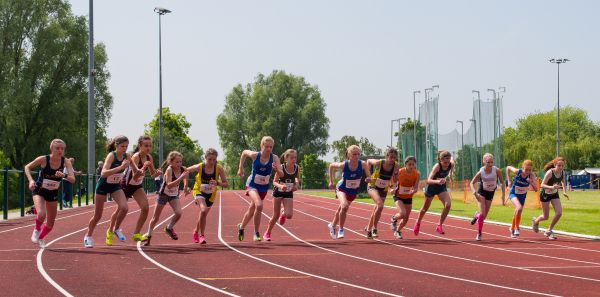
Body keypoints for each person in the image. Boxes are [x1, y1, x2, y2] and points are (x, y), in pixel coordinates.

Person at [84, 136, 137, 248]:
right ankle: (88, 236)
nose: (125, 148)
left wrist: (142, 170)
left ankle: (116, 229)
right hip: (103, 186)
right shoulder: (111, 156)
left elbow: (135, 169)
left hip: (115, 186)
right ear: (116, 146)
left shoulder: (127, 156)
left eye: (126, 146)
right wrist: (120, 168)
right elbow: (103, 173)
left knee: (125, 207)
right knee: (98, 215)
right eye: (122, 146)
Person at [25, 139, 75, 248]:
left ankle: (41, 238)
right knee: (42, 214)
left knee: (51, 223)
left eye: (62, 148)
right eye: (57, 148)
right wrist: (31, 180)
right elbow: (27, 167)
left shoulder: (66, 161)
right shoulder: (44, 159)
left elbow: (73, 179)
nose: (60, 150)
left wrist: (64, 175)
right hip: (39, 190)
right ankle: (36, 230)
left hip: (53, 192)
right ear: (51, 149)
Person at [113, 136, 161, 242]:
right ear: (140, 146)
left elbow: (153, 175)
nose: (148, 148)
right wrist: (143, 168)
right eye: (146, 146)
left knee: (145, 208)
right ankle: (113, 229)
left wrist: (157, 173)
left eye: (150, 146)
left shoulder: (149, 157)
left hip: (137, 186)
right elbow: (134, 176)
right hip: (126, 185)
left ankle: (136, 234)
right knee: (120, 210)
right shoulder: (136, 156)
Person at [236, 136, 283, 241]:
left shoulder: (274, 158)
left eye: (271, 147)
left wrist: (277, 170)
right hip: (252, 184)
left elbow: (281, 173)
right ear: (261, 146)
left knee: (252, 209)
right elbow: (244, 152)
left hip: (263, 187)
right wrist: (240, 168)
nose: (269, 149)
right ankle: (256, 233)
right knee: (259, 205)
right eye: (266, 146)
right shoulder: (255, 155)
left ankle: (241, 227)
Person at [144, 151, 189, 246]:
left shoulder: (183, 169)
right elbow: (169, 185)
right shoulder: (169, 170)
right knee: (155, 218)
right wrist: (181, 178)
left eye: (180, 161)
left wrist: (185, 186)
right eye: (177, 162)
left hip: (173, 195)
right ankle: (148, 237)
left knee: (179, 213)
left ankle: (168, 228)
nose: (179, 164)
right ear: (171, 162)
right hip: (163, 195)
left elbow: (186, 177)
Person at [327, 145, 372, 239]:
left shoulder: (363, 164)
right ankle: (341, 229)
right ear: (349, 155)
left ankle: (332, 225)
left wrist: (368, 179)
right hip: (342, 188)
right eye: (354, 154)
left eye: (358, 154)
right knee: (344, 205)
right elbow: (331, 166)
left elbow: (369, 176)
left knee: (342, 209)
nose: (356, 156)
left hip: (353, 191)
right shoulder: (344, 164)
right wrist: (331, 181)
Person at [187, 148, 228, 244]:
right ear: (205, 158)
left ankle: (196, 231)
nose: (212, 162)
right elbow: (186, 170)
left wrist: (217, 182)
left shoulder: (219, 168)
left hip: (211, 194)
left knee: (203, 213)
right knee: (204, 210)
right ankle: (202, 235)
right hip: (198, 191)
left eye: (214, 159)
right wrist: (185, 186)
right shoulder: (200, 167)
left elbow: (226, 184)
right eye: (209, 159)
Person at [413, 150, 454, 236]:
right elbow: (428, 180)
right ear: (440, 160)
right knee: (425, 208)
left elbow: (452, 164)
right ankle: (418, 222)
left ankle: (439, 225)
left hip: (441, 187)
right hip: (432, 187)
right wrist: (438, 181)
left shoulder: (451, 163)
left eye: (448, 162)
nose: (447, 164)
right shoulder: (437, 167)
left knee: (448, 205)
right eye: (445, 162)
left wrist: (450, 175)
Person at [264, 149, 301, 241]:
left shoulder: (297, 167)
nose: (294, 159)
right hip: (279, 192)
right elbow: (274, 182)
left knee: (289, 215)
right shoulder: (281, 167)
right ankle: (267, 232)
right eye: (292, 158)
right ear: (286, 158)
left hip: (288, 192)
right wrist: (281, 186)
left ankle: (283, 214)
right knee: (275, 215)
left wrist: (296, 185)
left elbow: (297, 178)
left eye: (295, 157)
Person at [469, 153, 506, 241]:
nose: (490, 164)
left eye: (491, 162)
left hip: (491, 193)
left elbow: (502, 182)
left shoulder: (497, 170)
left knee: (484, 216)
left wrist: (503, 195)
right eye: (488, 162)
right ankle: (479, 233)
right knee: (482, 214)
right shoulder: (481, 172)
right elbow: (472, 182)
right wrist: (474, 192)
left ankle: (476, 215)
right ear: (484, 162)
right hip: (482, 192)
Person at [364, 147, 399, 239]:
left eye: (394, 157)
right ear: (386, 156)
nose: (392, 159)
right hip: (373, 186)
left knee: (377, 209)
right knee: (380, 205)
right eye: (391, 157)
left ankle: (368, 229)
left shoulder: (396, 166)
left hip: (383, 188)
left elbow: (394, 180)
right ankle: (374, 228)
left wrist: (392, 187)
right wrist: (368, 175)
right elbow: (367, 161)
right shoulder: (379, 162)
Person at [532, 157, 569, 240]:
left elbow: (563, 182)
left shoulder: (562, 172)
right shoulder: (550, 173)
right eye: (559, 165)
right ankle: (536, 221)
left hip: (554, 194)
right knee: (546, 216)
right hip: (545, 194)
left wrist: (564, 192)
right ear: (555, 165)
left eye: (562, 166)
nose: (561, 167)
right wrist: (551, 187)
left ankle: (549, 230)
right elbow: (542, 185)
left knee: (559, 213)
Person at [389, 156, 420, 239]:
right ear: (405, 164)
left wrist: (414, 191)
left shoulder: (417, 174)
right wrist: (391, 188)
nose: (411, 166)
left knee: (406, 218)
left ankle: (398, 231)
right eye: (409, 164)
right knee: (402, 213)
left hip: (408, 197)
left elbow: (416, 187)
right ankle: (393, 218)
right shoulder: (400, 172)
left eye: (413, 164)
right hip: (398, 196)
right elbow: (392, 181)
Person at [506, 160, 538, 238]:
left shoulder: (531, 176)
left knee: (518, 212)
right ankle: (517, 228)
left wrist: (531, 182)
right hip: (513, 193)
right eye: (526, 169)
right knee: (519, 207)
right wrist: (509, 180)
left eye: (529, 170)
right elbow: (508, 168)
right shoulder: (518, 172)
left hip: (522, 196)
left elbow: (536, 189)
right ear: (522, 168)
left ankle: (512, 229)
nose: (527, 172)